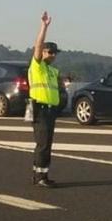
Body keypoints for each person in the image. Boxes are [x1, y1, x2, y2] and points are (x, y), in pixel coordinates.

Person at [28, 11, 64, 188]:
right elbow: (37, 46)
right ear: (43, 52)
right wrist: (44, 26)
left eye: (55, 53)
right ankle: (38, 176)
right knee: (42, 143)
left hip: (50, 109)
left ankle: (43, 174)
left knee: (47, 143)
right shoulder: (38, 66)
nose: (53, 55)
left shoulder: (52, 71)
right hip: (40, 108)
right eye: (51, 52)